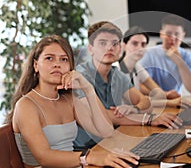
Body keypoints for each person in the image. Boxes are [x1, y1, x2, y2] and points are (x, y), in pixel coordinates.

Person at [6, 35, 139, 168]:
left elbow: (106, 131)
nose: (57, 64)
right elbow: (44, 157)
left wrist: (88, 89)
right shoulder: (26, 105)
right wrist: (89, 157)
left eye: (64, 59)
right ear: (36, 65)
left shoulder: (68, 100)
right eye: (49, 58)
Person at [75, 21, 183, 147]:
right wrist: (148, 119)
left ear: (120, 48)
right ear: (91, 48)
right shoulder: (81, 76)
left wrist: (134, 108)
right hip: (87, 148)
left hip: (112, 139)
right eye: (102, 43)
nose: (110, 48)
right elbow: (103, 115)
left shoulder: (116, 75)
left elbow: (145, 102)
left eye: (114, 43)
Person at [119, 26, 191, 108]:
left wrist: (166, 94)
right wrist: (170, 102)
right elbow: (139, 101)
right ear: (124, 45)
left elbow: (158, 92)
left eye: (143, 44)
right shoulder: (117, 69)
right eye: (134, 43)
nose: (139, 48)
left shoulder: (137, 67)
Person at [139, 14, 191, 95]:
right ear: (161, 34)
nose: (172, 38)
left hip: (176, 102)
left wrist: (180, 63)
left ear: (183, 36)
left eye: (177, 34)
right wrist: (165, 95)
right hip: (153, 101)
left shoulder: (188, 56)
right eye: (168, 33)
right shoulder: (148, 54)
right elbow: (141, 86)